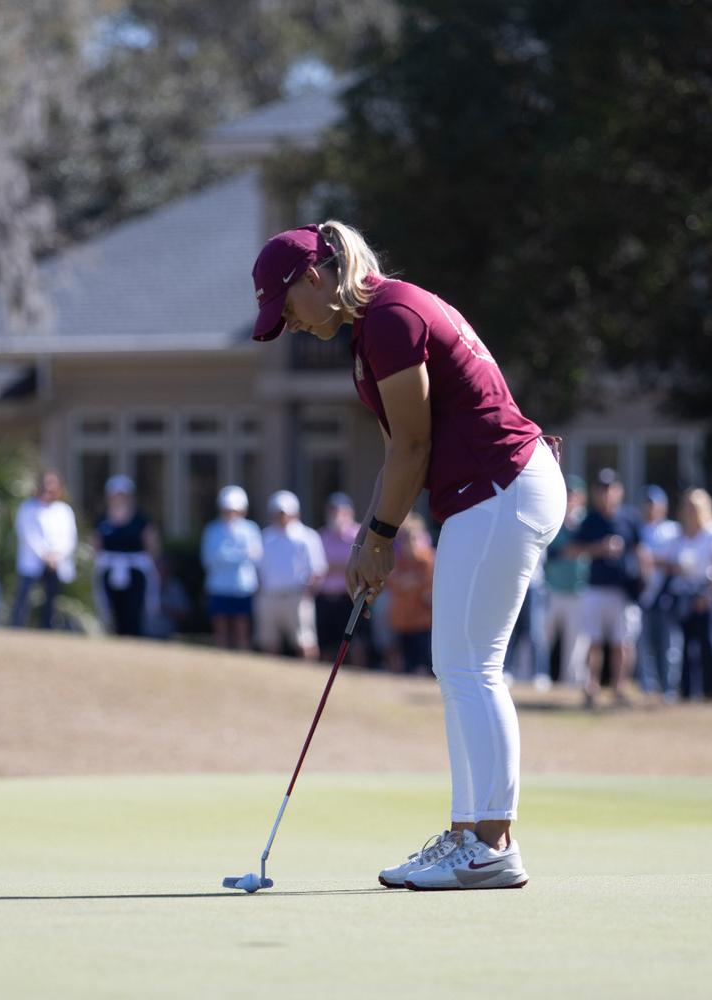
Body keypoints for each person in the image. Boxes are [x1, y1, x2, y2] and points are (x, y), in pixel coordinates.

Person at [250, 220, 565, 891]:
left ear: (314, 276)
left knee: (471, 668)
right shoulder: (381, 320)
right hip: (497, 489)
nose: (291, 326)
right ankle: (466, 835)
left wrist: (379, 538)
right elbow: (408, 450)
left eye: (287, 311)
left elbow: (411, 447)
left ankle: (492, 844)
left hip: (504, 485)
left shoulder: (391, 317)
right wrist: (375, 535)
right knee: (457, 666)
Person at [569, 468, 648, 708]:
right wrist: (599, 549)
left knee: (621, 642)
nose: (606, 494)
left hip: (622, 590)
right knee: (593, 641)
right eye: (602, 489)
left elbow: (640, 550)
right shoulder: (590, 520)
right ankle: (591, 686)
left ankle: (620, 686)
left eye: (610, 488)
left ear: (619, 491)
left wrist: (644, 577)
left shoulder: (629, 518)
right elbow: (574, 550)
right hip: (596, 588)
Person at [664, 488, 712, 706]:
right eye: (687, 507)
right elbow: (672, 564)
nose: (690, 511)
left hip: (706, 593)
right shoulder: (679, 534)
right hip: (683, 594)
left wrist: (708, 595)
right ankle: (689, 692)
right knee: (687, 646)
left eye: (694, 507)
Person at [256, 490, 327, 660]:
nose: (281, 517)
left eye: (284, 513)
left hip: (297, 595)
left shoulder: (307, 536)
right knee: (269, 641)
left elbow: (318, 568)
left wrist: (308, 591)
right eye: (277, 513)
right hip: (270, 595)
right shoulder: (266, 537)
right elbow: (258, 567)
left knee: (304, 641)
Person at [92, 475, 161, 638]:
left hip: (135, 572)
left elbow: (152, 544)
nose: (119, 498)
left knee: (133, 609)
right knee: (111, 609)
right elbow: (96, 544)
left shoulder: (140, 519)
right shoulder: (102, 520)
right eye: (116, 494)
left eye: (123, 494)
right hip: (109, 570)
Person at [11, 471, 77, 629]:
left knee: (51, 600)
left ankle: (47, 629)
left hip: (56, 564)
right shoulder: (27, 508)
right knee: (23, 597)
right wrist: (45, 555)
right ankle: (16, 628)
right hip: (33, 561)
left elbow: (70, 537)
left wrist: (57, 556)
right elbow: (28, 535)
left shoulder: (64, 510)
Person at [543, 475, 591, 688]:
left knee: (576, 643)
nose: (570, 498)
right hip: (553, 588)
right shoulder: (552, 518)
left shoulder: (585, 522)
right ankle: (533, 676)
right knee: (541, 638)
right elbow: (551, 552)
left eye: (574, 494)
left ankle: (570, 682)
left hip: (578, 590)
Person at [201, 484, 260, 651]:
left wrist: (226, 555)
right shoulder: (212, 529)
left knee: (242, 628)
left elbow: (255, 555)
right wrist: (238, 555)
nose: (230, 514)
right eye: (226, 509)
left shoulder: (250, 529)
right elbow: (209, 558)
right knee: (221, 629)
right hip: (218, 587)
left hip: (243, 587)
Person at [637, 484, 683, 699]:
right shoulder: (638, 529)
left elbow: (677, 563)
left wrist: (651, 560)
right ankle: (648, 686)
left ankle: (669, 688)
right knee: (643, 645)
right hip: (642, 595)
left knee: (670, 645)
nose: (650, 508)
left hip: (666, 595)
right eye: (647, 504)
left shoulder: (673, 530)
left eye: (654, 504)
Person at [315, 494, 370, 664]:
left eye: (340, 511)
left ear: (350, 512)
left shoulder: (359, 534)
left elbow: (358, 565)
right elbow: (318, 566)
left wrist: (334, 566)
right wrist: (341, 566)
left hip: (351, 597)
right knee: (326, 644)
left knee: (356, 643)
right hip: (325, 597)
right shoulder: (321, 535)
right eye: (332, 510)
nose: (336, 515)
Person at [386, 513, 435, 674]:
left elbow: (427, 592)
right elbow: (393, 583)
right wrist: (411, 582)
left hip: (423, 624)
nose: (409, 543)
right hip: (402, 622)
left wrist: (410, 583)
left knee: (423, 666)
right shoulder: (398, 561)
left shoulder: (428, 561)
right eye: (405, 539)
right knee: (406, 665)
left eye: (413, 538)